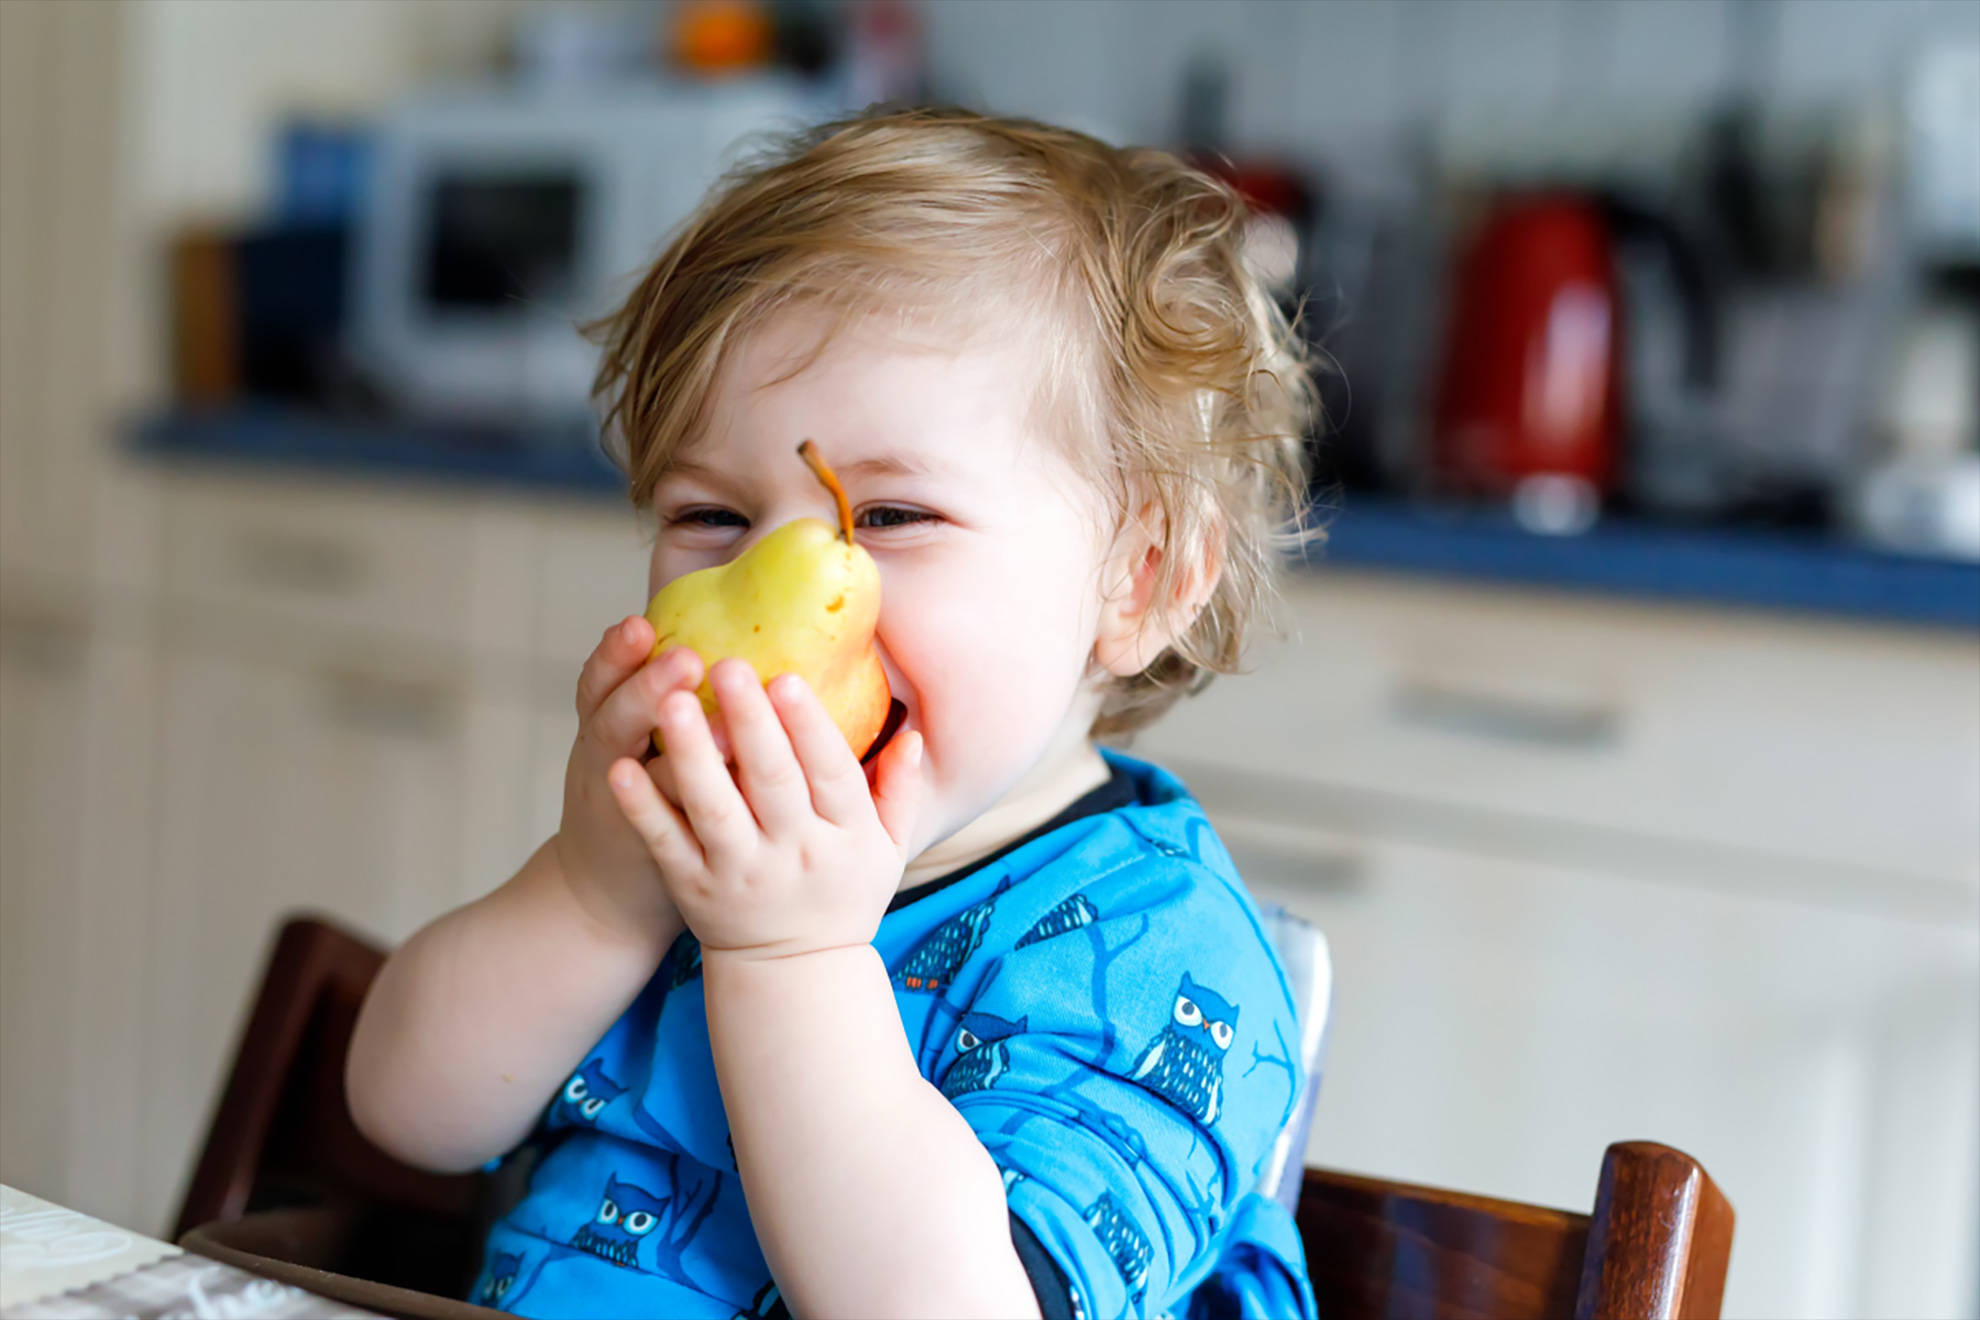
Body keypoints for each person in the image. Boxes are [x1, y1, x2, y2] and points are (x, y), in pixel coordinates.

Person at [346, 105, 1323, 1320]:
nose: (784, 578)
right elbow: (408, 1114)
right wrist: (590, 891)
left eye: (890, 517)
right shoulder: (685, 850)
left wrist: (790, 959)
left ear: (1143, 581)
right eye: (709, 517)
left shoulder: (1155, 953)